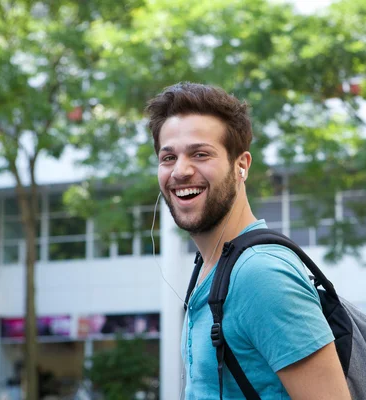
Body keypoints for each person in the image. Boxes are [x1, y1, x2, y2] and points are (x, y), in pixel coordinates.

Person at [147, 83, 351, 399]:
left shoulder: (260, 275)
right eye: (168, 157)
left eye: (200, 154)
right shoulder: (210, 269)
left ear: (241, 165)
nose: (181, 170)